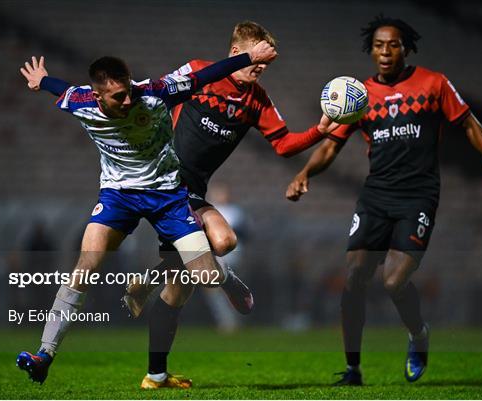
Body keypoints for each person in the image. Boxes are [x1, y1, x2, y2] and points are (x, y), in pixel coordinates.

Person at [15, 41, 277, 388]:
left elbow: (204, 77)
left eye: (128, 91)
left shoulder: (153, 94)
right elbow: (59, 89)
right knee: (85, 266)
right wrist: (42, 80)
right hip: (117, 196)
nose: (128, 100)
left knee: (204, 277)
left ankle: (224, 276)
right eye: (118, 97)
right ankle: (44, 354)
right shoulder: (80, 102)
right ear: (96, 96)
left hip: (167, 195)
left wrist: (248, 58)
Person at [286, 15, 482, 386]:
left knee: (392, 282)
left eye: (393, 44)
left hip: (418, 195)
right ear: (371, 51)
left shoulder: (433, 83)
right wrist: (304, 173)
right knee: (355, 276)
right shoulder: (360, 96)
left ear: (405, 48)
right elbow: (331, 147)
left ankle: (418, 335)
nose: (385, 51)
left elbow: (469, 123)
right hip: (376, 195)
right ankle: (353, 369)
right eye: (378, 45)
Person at [124, 19, 334, 322]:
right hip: (165, 183)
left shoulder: (257, 99)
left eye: (266, 61)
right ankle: (219, 283)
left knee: (221, 245)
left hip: (194, 189)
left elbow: (284, 144)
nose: (261, 66)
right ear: (237, 51)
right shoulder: (199, 71)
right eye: (257, 57)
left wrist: (320, 130)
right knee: (190, 273)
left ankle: (149, 286)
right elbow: (158, 90)